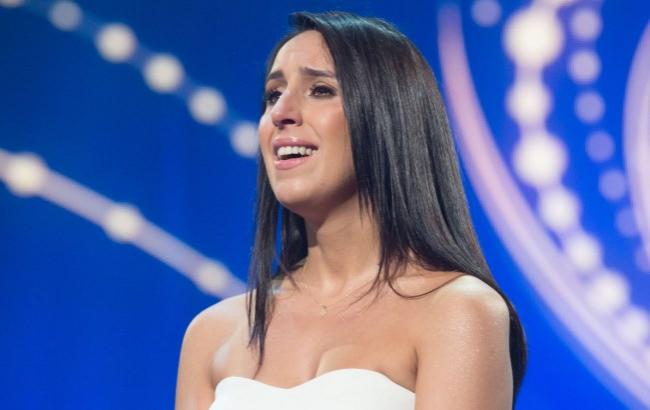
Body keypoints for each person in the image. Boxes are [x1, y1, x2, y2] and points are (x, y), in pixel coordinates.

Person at [175, 11, 527, 410]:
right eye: (273, 95)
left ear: (389, 118)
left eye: (320, 90)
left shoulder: (456, 310)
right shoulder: (212, 333)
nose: (281, 113)